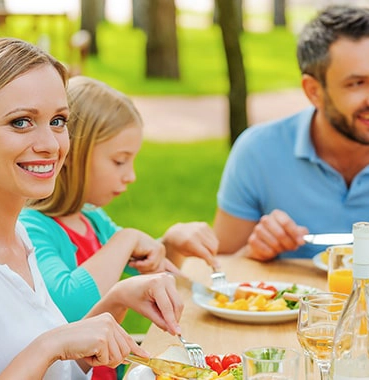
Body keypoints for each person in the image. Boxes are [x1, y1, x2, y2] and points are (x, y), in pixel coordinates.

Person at [0, 37, 184, 380]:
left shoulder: (18, 236)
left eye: (58, 121)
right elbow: (49, 352)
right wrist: (49, 345)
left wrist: (117, 299)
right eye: (20, 122)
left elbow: (59, 371)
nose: (50, 145)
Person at [212, 5, 369, 261]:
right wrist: (253, 252)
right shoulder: (257, 152)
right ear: (313, 91)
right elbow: (220, 271)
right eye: (357, 83)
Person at [19, 76, 219, 379]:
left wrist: (169, 245)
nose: (131, 176)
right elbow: (71, 309)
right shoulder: (32, 227)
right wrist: (127, 238)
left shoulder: (92, 219)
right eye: (119, 161)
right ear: (72, 153)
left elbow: (148, 278)